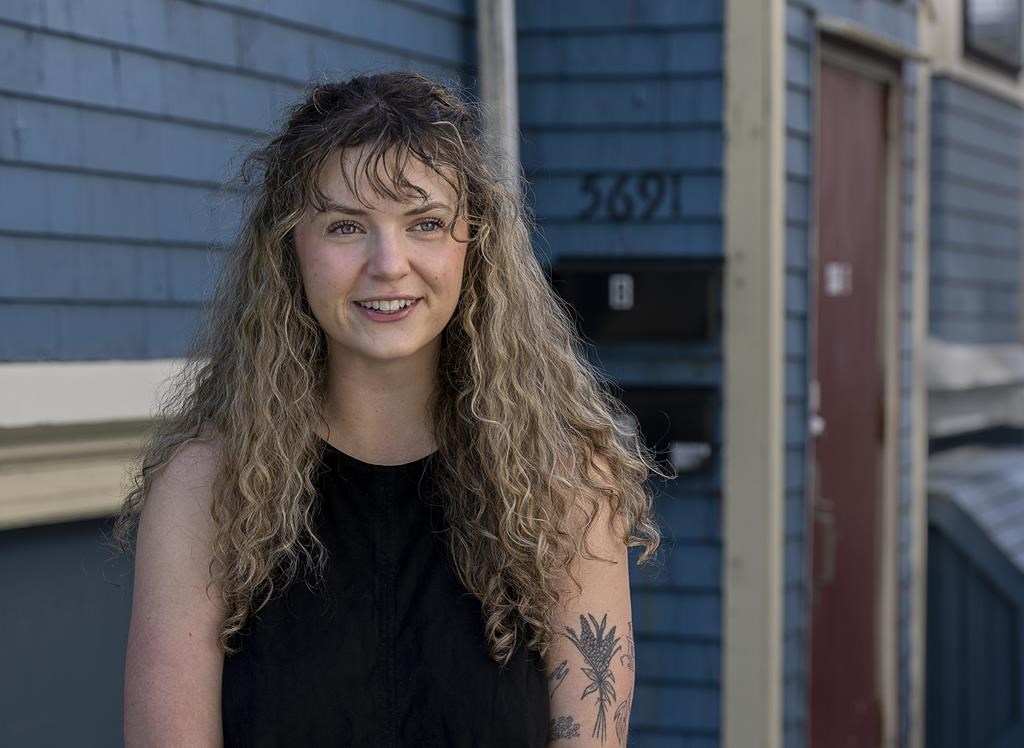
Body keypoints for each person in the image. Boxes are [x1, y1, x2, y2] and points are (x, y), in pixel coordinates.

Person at [113, 70, 668, 747]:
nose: (389, 262)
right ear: (290, 248)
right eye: (347, 226)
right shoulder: (205, 492)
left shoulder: (565, 488)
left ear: (475, 242)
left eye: (425, 223)